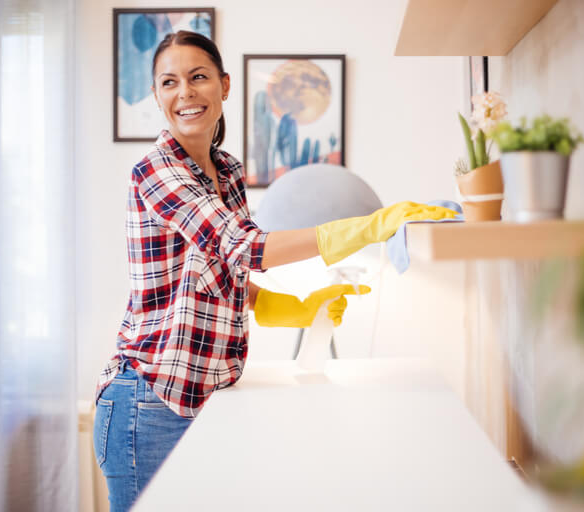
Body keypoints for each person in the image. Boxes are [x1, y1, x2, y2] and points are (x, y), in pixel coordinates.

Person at [92, 30, 456, 511]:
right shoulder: (156, 170)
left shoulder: (227, 172)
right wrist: (369, 228)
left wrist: (293, 309)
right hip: (149, 402)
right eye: (169, 82)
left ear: (224, 85)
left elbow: (226, 275)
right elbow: (244, 248)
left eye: (198, 77)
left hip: (203, 400)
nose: (185, 93)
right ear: (158, 96)